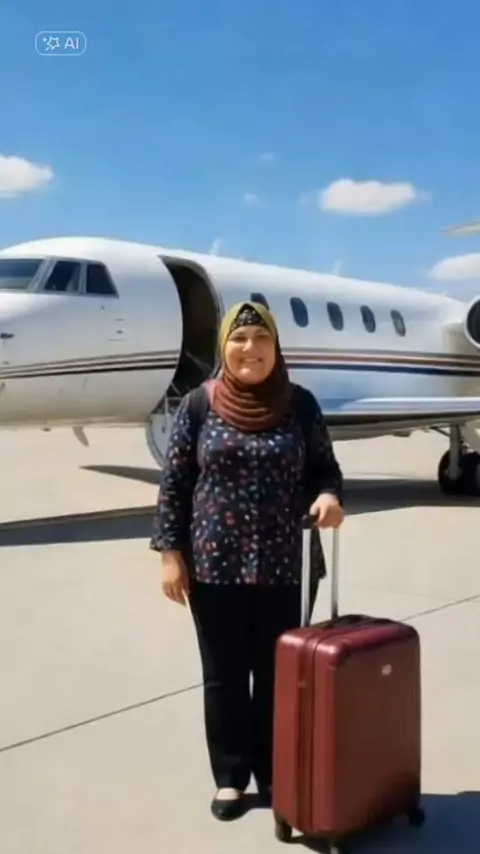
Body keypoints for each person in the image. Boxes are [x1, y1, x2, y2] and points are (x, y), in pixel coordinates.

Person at [150, 301, 344, 821]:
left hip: (287, 564)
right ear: (224, 348)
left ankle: (276, 771)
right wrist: (170, 554)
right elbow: (175, 485)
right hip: (215, 565)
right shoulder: (199, 405)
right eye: (239, 339)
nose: (250, 348)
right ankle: (231, 777)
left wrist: (329, 495)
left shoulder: (300, 405)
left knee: (280, 673)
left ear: (276, 347)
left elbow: (325, 469)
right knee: (224, 675)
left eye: (261, 339)